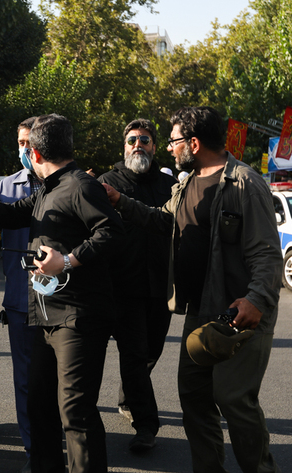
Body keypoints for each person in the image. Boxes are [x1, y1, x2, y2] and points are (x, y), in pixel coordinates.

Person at [103, 106, 282, 473]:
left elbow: (267, 254)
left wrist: (256, 301)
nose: (169, 148)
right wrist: (120, 201)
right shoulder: (185, 183)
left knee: (233, 400)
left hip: (240, 315)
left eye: (173, 141)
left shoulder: (245, 184)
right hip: (201, 311)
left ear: (194, 143)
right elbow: (162, 219)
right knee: (194, 398)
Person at [0, 114, 124, 473]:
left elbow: (113, 232)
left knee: (75, 411)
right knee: (40, 403)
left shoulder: (80, 186)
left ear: (36, 154)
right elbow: (9, 216)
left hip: (78, 317)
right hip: (44, 315)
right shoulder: (48, 188)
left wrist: (67, 261)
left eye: (27, 147)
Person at [97, 119, 177, 452]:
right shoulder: (106, 183)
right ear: (124, 146)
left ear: (154, 147)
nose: (138, 145)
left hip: (161, 287)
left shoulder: (170, 185)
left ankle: (128, 397)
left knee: (150, 353)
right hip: (123, 286)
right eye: (132, 140)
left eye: (144, 140)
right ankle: (146, 426)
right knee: (134, 353)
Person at [0, 117, 40, 473]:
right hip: (21, 302)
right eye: (20, 142)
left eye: (30, 142)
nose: (25, 149)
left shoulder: (72, 184)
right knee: (26, 381)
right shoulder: (5, 188)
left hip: (62, 302)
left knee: (64, 382)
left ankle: (63, 440)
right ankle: (34, 451)